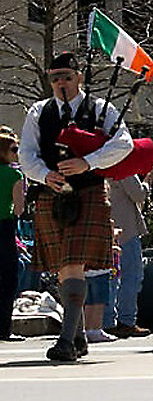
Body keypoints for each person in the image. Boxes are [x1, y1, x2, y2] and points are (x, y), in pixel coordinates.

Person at [19, 51, 134, 361]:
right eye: (55, 78)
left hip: (89, 192)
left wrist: (87, 162)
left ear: (78, 77)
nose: (60, 83)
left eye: (66, 77)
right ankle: (79, 335)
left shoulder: (100, 108)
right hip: (51, 193)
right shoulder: (38, 111)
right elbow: (26, 155)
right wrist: (46, 175)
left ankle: (67, 341)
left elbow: (125, 143)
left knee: (72, 263)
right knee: (63, 268)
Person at [104, 175, 150, 338]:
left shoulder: (99, 163)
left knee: (109, 276)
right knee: (131, 276)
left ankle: (107, 321)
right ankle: (126, 321)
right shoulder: (124, 168)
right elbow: (138, 194)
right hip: (126, 229)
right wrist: (148, 181)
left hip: (107, 226)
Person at [0, 126, 26, 342]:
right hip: (5, 227)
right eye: (14, 149)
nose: (17, 153)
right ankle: (4, 328)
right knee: (8, 279)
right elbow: (19, 207)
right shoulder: (14, 174)